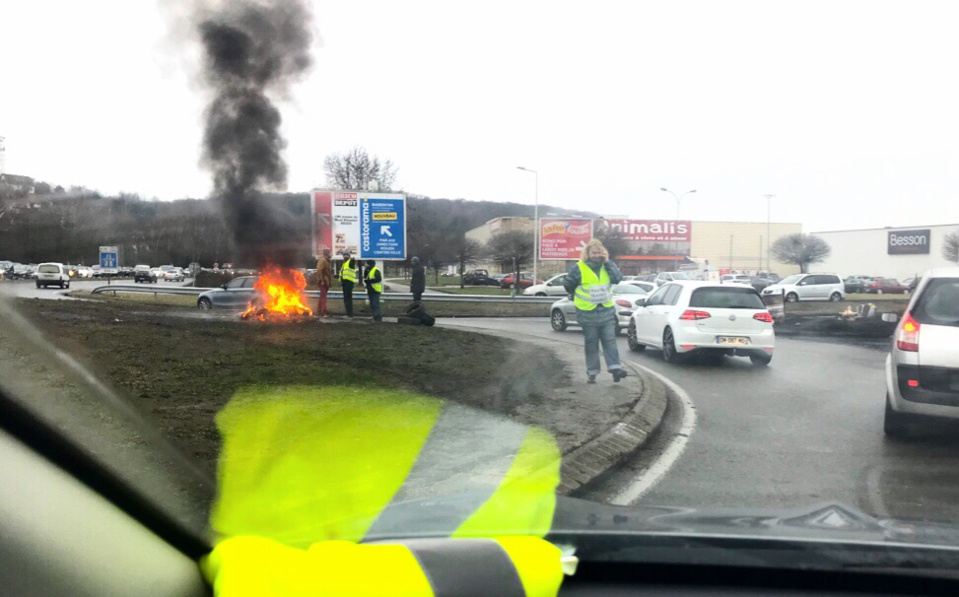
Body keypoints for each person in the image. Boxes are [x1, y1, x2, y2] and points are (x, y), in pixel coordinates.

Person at [563, 239, 628, 384]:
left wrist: (608, 262)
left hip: (606, 310)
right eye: (594, 253)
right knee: (591, 344)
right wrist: (576, 295)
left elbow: (617, 279)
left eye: (599, 253)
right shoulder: (579, 268)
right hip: (587, 312)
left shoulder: (607, 266)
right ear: (587, 253)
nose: (597, 255)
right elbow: (568, 284)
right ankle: (592, 372)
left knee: (610, 341)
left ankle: (615, 369)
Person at [337, 250, 359, 318]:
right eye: (344, 256)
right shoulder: (345, 263)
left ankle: (350, 314)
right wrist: (338, 277)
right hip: (345, 283)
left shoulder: (350, 262)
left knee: (348, 299)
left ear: (348, 256)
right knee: (346, 299)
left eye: (346, 255)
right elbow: (343, 273)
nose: (345, 257)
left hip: (348, 283)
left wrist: (352, 260)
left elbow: (352, 264)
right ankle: (349, 313)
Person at [315, 249, 332, 317]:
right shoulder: (323, 260)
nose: (331, 254)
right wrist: (321, 280)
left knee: (322, 296)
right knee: (323, 296)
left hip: (326, 281)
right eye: (330, 253)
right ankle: (324, 311)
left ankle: (319, 310)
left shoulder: (326, 260)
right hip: (323, 281)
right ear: (327, 253)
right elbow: (319, 270)